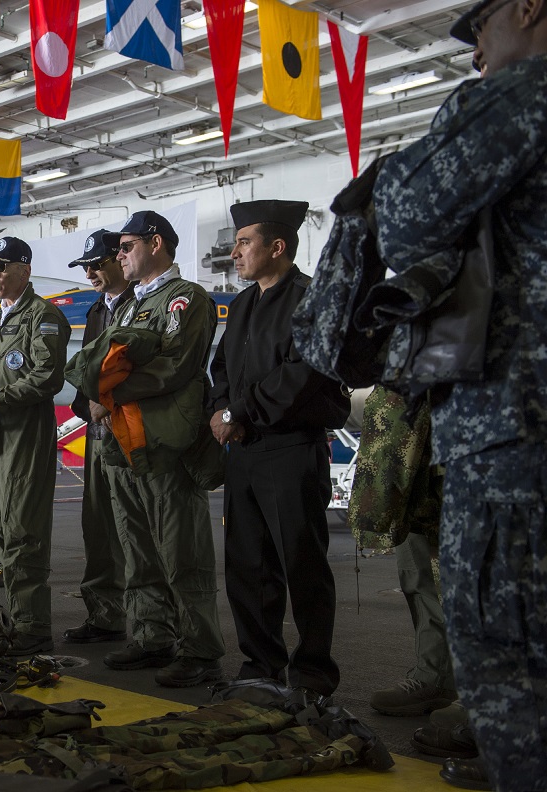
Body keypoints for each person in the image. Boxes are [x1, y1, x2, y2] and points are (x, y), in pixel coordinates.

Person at [373, 3, 547, 788]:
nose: (478, 51)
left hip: (517, 429)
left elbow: (406, 217)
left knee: (508, 647)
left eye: (481, 29)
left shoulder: (521, 95)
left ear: (527, 8)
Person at [209, 200, 350, 699]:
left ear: (277, 246)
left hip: (292, 449)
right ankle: (260, 664)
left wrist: (238, 413)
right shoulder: (244, 303)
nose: (235, 252)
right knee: (248, 565)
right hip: (246, 450)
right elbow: (222, 368)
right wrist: (223, 409)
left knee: (302, 563)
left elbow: (302, 374)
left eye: (244, 242)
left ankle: (312, 672)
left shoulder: (310, 299)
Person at [96, 212, 225, 686]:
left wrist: (104, 387)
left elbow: (174, 366)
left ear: (156, 244)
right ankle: (152, 635)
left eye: (126, 246)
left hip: (167, 444)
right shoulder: (128, 305)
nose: (119, 255)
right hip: (125, 445)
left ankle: (200, 648)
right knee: (139, 548)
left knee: (182, 550)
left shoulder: (185, 298)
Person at [0, 236, 71, 655]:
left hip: (25, 437)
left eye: (2, 267)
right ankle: (17, 619)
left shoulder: (43, 316)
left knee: (23, 532)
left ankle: (33, 628)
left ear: (24, 270)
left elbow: (47, 377)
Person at [348, 386, 457, 717]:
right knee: (418, 571)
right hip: (413, 457)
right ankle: (433, 675)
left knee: (478, 579)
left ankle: (488, 694)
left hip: (465, 451)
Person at [61, 230, 134, 646]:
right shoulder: (96, 312)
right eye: (85, 267)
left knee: (137, 528)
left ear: (119, 260)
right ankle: (106, 616)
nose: (90, 272)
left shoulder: (141, 306)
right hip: (98, 431)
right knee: (98, 524)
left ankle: (150, 622)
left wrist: (108, 402)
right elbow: (87, 373)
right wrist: (85, 407)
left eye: (97, 264)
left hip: (131, 430)